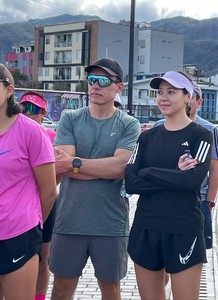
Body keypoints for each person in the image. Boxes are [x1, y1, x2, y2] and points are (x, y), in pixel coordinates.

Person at [49, 58, 140, 300]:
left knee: (111, 291)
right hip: (69, 219)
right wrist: (101, 167)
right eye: (91, 80)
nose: (95, 86)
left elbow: (121, 168)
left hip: (110, 223)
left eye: (103, 81)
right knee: (60, 290)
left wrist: (76, 163)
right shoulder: (70, 118)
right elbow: (60, 165)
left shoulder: (129, 125)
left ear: (119, 87)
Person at [125, 71, 213, 300]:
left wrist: (149, 171)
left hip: (183, 229)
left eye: (171, 92)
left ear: (188, 96)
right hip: (146, 227)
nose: (163, 98)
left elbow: (193, 180)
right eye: (160, 92)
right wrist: (175, 175)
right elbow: (131, 182)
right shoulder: (147, 137)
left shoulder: (201, 136)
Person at [0, 64, 57, 300]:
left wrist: (31, 222)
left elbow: (49, 191)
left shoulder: (31, 132)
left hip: (19, 233)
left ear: (9, 90)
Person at [155, 81, 218, 249]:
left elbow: (214, 168)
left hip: (197, 198)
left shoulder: (208, 130)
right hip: (163, 196)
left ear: (197, 102)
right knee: (161, 251)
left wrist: (210, 202)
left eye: (190, 96)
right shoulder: (158, 127)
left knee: (191, 252)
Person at [19, 91, 57, 300]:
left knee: (43, 258)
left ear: (43, 112)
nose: (27, 113)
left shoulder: (52, 136)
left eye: (33, 109)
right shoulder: (15, 132)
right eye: (24, 108)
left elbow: (56, 176)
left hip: (45, 201)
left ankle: (39, 297)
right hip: (20, 206)